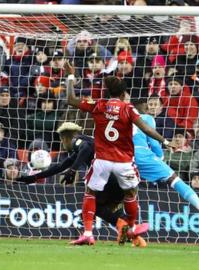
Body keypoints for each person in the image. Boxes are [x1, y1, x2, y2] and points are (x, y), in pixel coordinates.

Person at [65, 61, 170, 245]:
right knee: (131, 194)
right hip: (123, 161)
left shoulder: (99, 105)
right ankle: (131, 227)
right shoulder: (128, 109)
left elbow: (71, 99)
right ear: (123, 94)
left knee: (90, 193)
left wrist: (71, 76)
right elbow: (146, 129)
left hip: (102, 160)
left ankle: (88, 233)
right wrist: (165, 141)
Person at [16, 122, 147, 247]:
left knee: (92, 204)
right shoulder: (88, 143)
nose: (62, 143)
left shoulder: (77, 140)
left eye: (62, 140)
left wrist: (73, 170)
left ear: (66, 137)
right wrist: (32, 178)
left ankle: (95, 232)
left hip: (108, 177)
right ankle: (131, 233)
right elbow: (59, 167)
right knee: (99, 208)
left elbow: (85, 148)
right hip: (122, 179)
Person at [131, 99, 199, 220]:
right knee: (174, 180)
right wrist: (160, 158)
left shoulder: (126, 118)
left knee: (126, 190)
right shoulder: (147, 118)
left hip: (124, 156)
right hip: (143, 155)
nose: (150, 109)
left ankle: (123, 223)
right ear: (144, 108)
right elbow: (154, 143)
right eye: (147, 106)